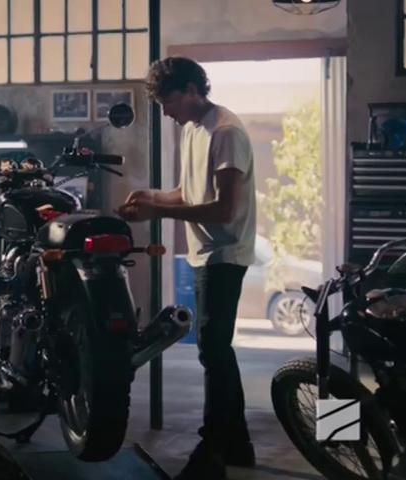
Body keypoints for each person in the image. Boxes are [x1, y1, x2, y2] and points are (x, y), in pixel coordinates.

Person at [116, 57, 257, 480]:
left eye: (169, 101)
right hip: (205, 252)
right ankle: (237, 446)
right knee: (216, 349)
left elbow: (224, 209)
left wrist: (157, 211)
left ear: (194, 90)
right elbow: (189, 192)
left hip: (224, 252)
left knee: (212, 349)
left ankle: (211, 451)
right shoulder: (194, 128)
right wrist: (152, 196)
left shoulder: (226, 132)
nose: (166, 112)